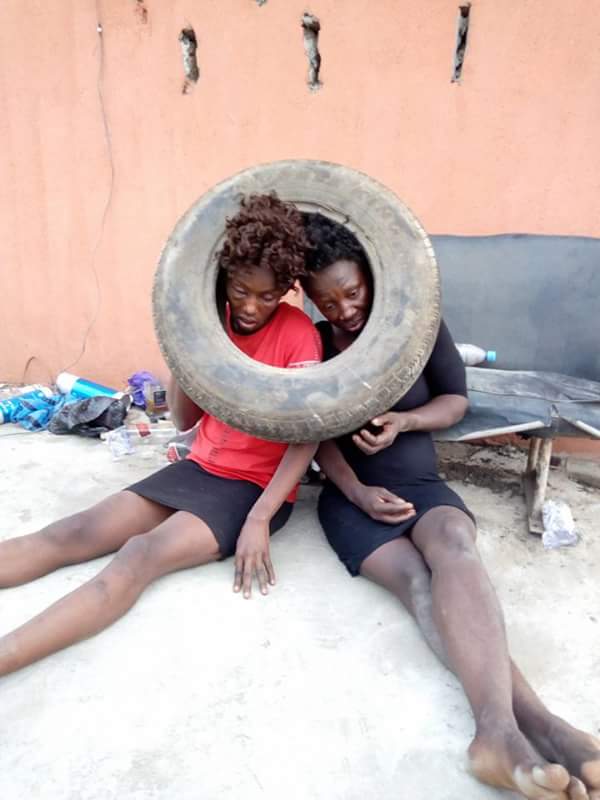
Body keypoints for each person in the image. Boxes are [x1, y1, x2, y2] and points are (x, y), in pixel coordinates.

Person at [301, 212, 600, 800]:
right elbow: (308, 432)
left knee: (456, 551)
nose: (343, 310)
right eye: (327, 301)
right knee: (418, 583)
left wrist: (405, 421)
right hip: (351, 499)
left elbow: (455, 401)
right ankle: (534, 731)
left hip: (421, 482)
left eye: (352, 292)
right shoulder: (313, 343)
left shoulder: (417, 327)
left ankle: (510, 732)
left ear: (371, 276)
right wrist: (357, 492)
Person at [0, 194, 322, 677]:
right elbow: (185, 421)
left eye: (268, 296)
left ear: (285, 290)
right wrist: (186, 349)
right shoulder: (209, 321)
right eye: (240, 290)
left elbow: (307, 436)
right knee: (72, 532)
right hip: (199, 466)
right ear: (224, 276)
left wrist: (260, 517)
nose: (252, 306)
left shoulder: (298, 335)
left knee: (139, 555)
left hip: (253, 488)